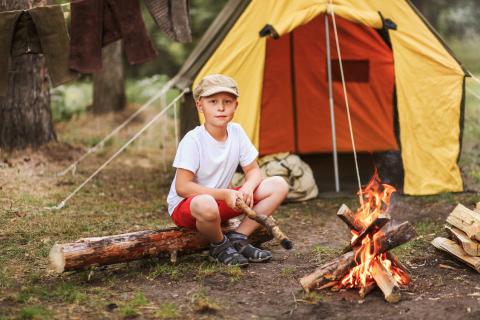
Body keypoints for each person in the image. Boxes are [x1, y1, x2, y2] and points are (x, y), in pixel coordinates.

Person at [166, 74, 289, 267]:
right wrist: (224, 193)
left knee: (278, 185)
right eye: (213, 101)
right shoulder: (193, 140)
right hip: (191, 207)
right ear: (200, 106)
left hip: (223, 201)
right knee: (207, 204)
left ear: (236, 105)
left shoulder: (237, 132)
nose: (221, 107)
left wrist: (248, 187)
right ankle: (219, 245)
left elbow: (254, 170)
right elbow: (182, 187)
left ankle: (238, 238)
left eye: (227, 102)